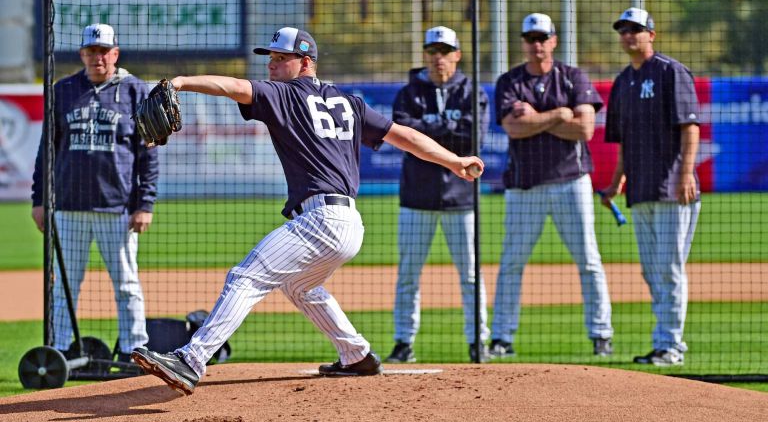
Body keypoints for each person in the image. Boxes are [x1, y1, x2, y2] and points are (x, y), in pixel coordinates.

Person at [131, 26, 485, 395]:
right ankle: (356, 354)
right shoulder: (351, 102)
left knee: (245, 277)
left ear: (304, 62)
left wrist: (183, 81)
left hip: (320, 219)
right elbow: (405, 136)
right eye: (269, 59)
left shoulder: (283, 95)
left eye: (280, 59)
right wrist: (454, 161)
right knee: (301, 287)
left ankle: (191, 359)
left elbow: (232, 86)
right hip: (349, 224)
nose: (271, 65)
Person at [31, 23, 158, 362]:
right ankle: (57, 350)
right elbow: (47, 149)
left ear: (115, 53)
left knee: (127, 284)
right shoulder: (64, 90)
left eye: (104, 51)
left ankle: (135, 349)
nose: (97, 57)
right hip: (68, 207)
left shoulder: (134, 91)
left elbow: (148, 154)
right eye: (91, 51)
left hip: (116, 209)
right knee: (64, 286)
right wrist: (40, 200)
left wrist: (144, 203)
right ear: (82, 54)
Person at [490, 13, 614, 358]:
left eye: (543, 37)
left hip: (571, 181)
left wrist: (538, 118)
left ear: (554, 40)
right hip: (524, 185)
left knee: (589, 259)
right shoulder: (510, 81)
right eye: (531, 38)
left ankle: (601, 334)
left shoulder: (573, 77)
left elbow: (585, 129)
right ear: (524, 42)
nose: (537, 44)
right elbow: (513, 129)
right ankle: (502, 337)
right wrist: (560, 115)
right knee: (512, 261)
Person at [385, 26, 491, 363]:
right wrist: (447, 130)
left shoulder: (473, 91)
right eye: (433, 51)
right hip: (417, 198)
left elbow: (475, 138)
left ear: (457, 55)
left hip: (462, 198)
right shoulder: (408, 93)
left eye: (445, 51)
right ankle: (404, 342)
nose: (438, 58)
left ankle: (479, 341)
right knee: (409, 274)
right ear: (426, 55)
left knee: (471, 275)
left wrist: (427, 131)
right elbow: (403, 135)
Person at [602, 8, 701, 367]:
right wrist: (616, 183)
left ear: (651, 35)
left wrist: (686, 174)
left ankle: (671, 345)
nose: (629, 35)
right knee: (651, 269)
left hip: (674, 189)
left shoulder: (670, 71)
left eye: (636, 30)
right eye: (624, 30)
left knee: (669, 267)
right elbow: (625, 142)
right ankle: (663, 342)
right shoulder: (623, 82)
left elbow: (690, 128)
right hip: (640, 190)